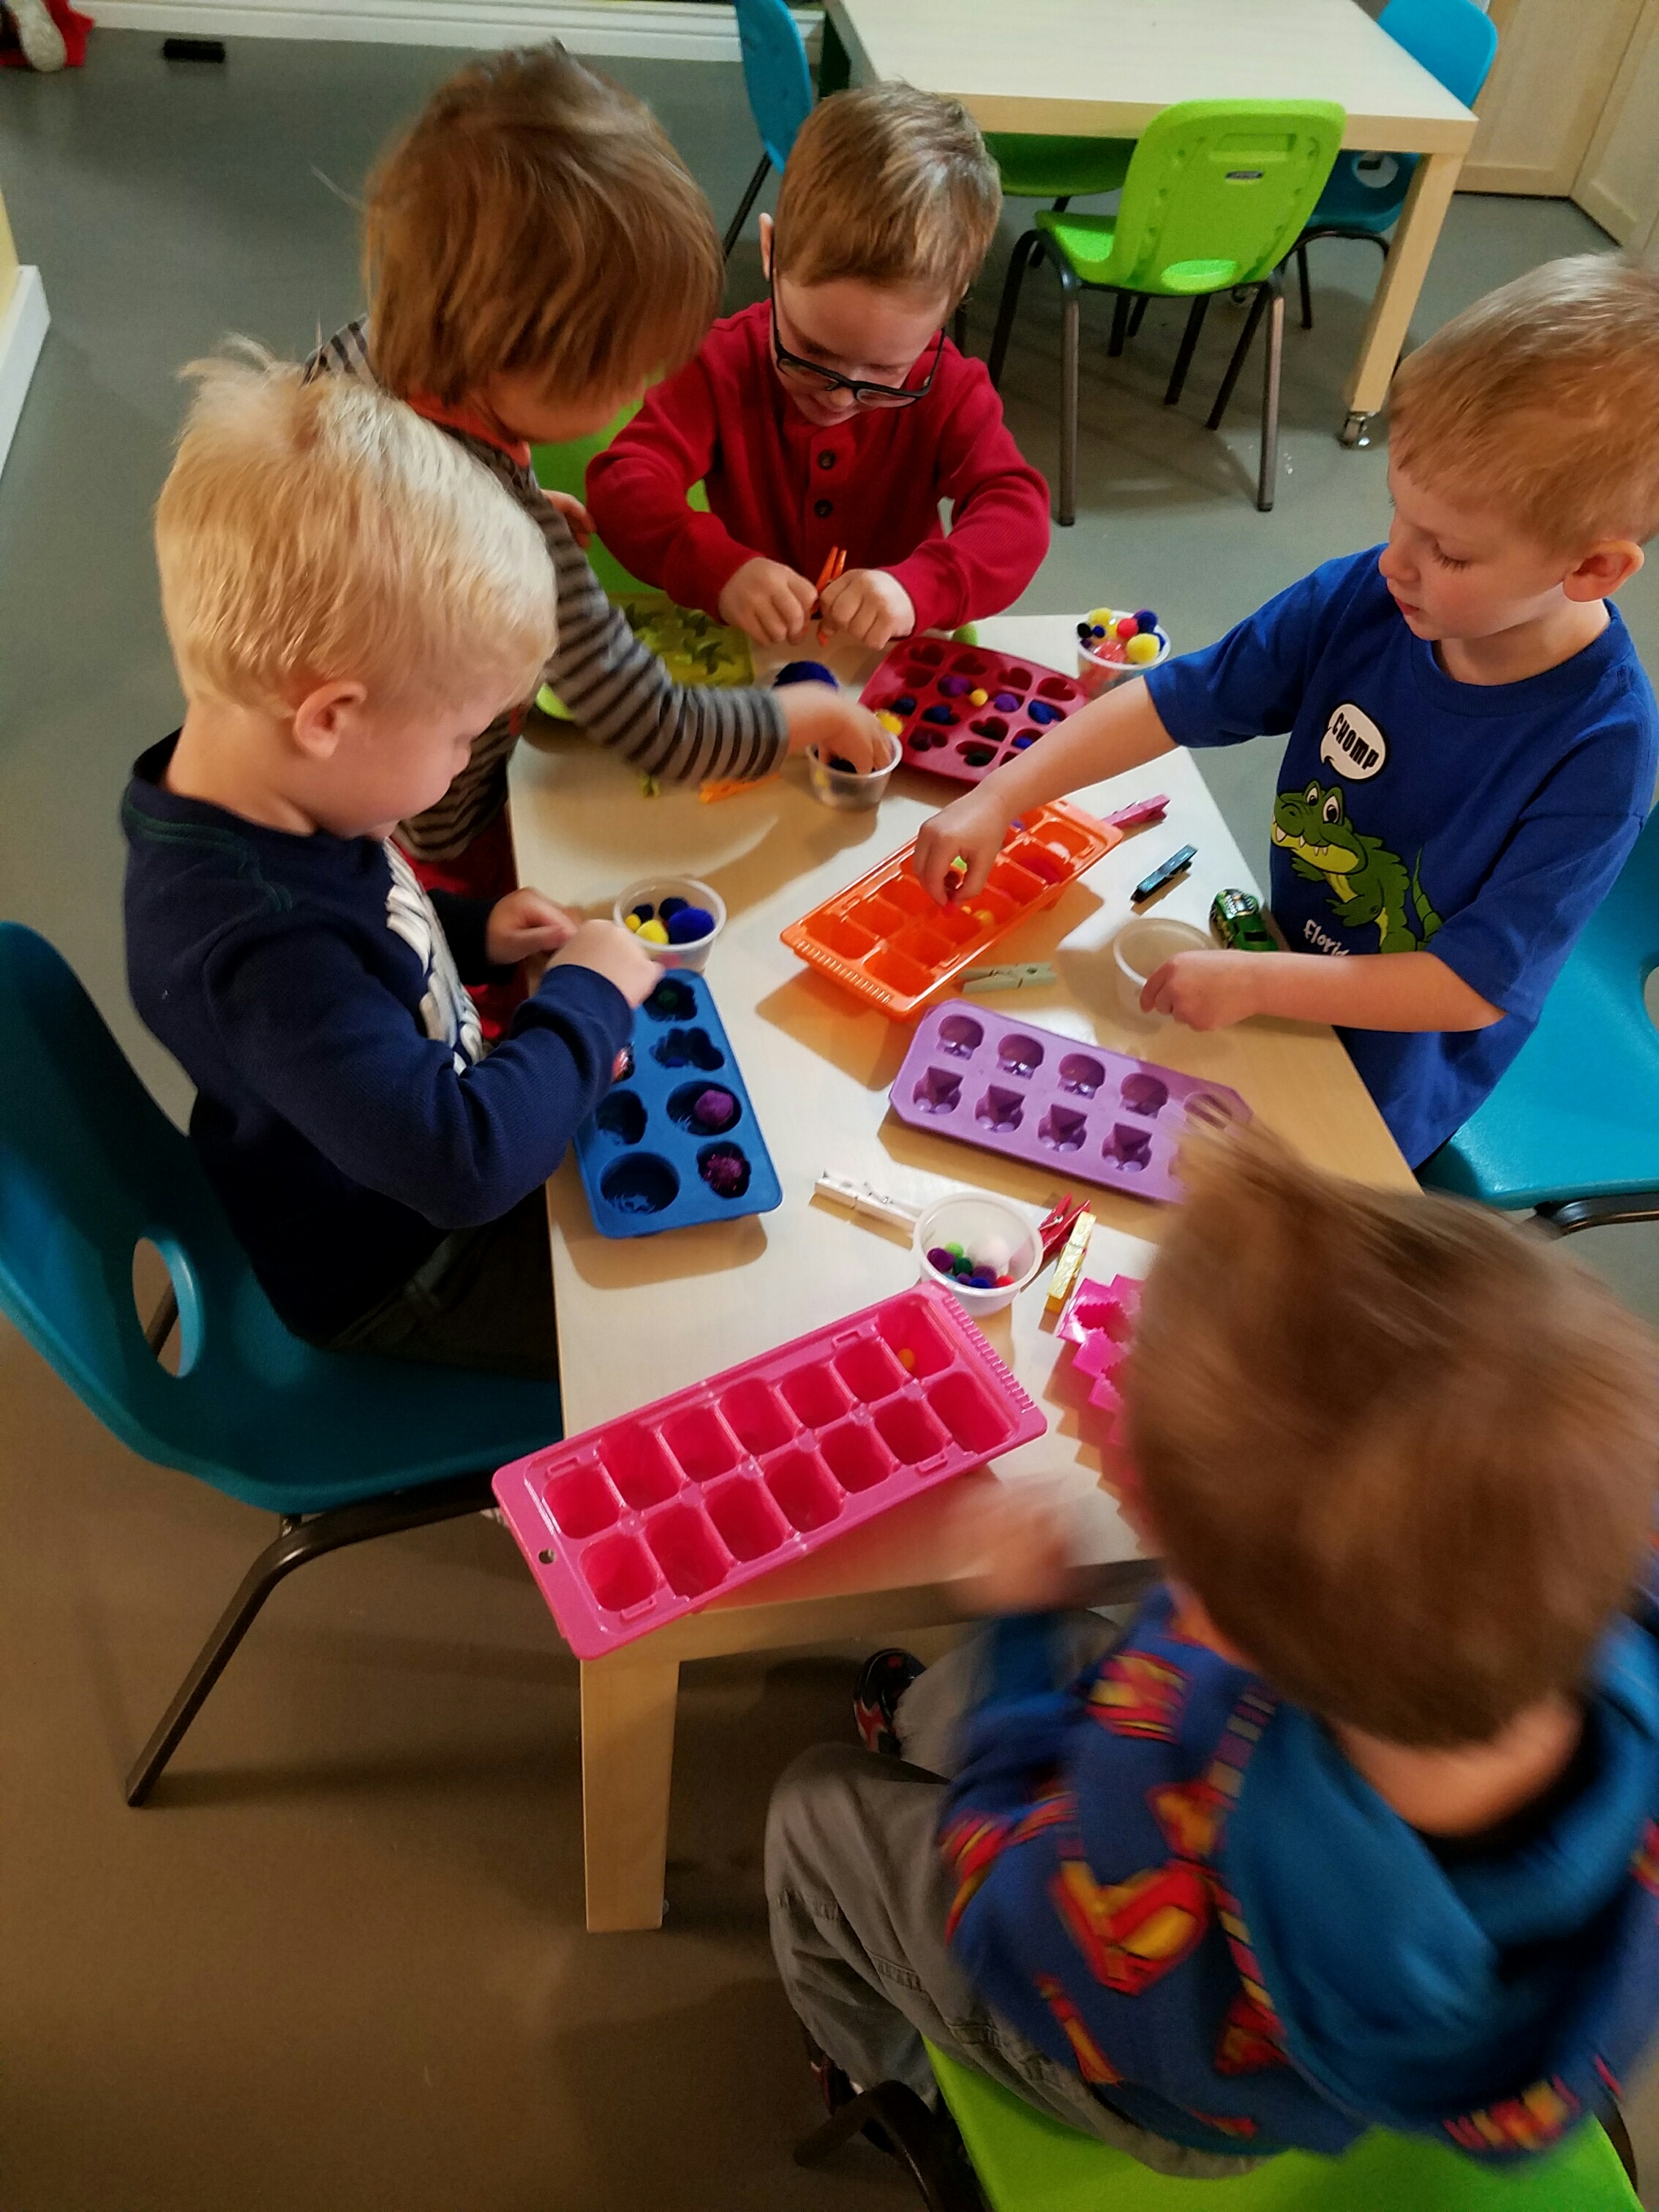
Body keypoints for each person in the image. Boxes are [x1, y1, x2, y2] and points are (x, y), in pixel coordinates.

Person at [768, 1126, 1659, 2174]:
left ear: (1216, 1626)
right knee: (1023, 1687)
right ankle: (958, 1725)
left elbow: (998, 1911)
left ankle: (882, 2067)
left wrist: (1015, 1633)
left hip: (1149, 2077)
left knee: (814, 1806)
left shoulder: (1176, 1803)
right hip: (1344, 2027)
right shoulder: (1601, 1573)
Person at [913, 255, 1659, 1170]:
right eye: (1397, 514)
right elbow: (1179, 697)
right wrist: (1004, 794)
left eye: (1451, 554)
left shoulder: (1601, 750)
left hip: (1385, 1080)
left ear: (1591, 569)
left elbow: (1469, 986)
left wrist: (1262, 980)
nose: (1396, 562)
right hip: (1274, 972)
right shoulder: (1368, 598)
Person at [124, 350, 661, 1377]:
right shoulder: (259, 953)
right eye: (464, 735)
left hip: (402, 1151)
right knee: (681, 1323)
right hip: (405, 1269)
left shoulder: (270, 791)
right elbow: (465, 1166)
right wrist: (587, 1003)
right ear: (332, 717)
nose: (472, 758)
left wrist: (478, 933)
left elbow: (369, 927)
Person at [309, 43, 881, 940]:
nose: (636, 396)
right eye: (619, 374)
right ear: (518, 354)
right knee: (487, 937)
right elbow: (656, 725)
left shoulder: (363, 350)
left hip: (323, 764)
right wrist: (799, 715)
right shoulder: (513, 534)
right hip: (433, 825)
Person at [586, 83, 1050, 651]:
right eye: (811, 354)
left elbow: (1016, 511)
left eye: (884, 373)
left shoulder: (950, 389)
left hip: (885, 661)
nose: (840, 397)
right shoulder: (719, 364)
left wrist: (917, 589)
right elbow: (624, 482)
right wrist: (718, 568)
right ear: (771, 253)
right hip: (751, 657)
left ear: (949, 308)